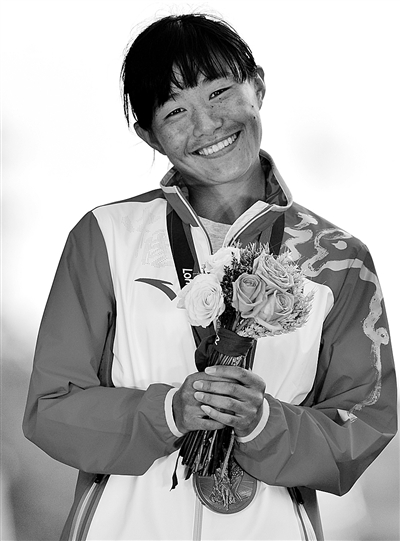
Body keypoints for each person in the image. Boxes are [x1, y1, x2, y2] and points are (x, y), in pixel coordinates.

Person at [23, 13, 397, 541]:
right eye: (175, 110)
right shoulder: (105, 236)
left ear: (258, 87)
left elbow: (366, 422)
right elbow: (51, 408)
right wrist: (168, 412)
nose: (207, 125)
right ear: (148, 134)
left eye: (220, 92)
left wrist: (264, 423)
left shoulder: (338, 259)